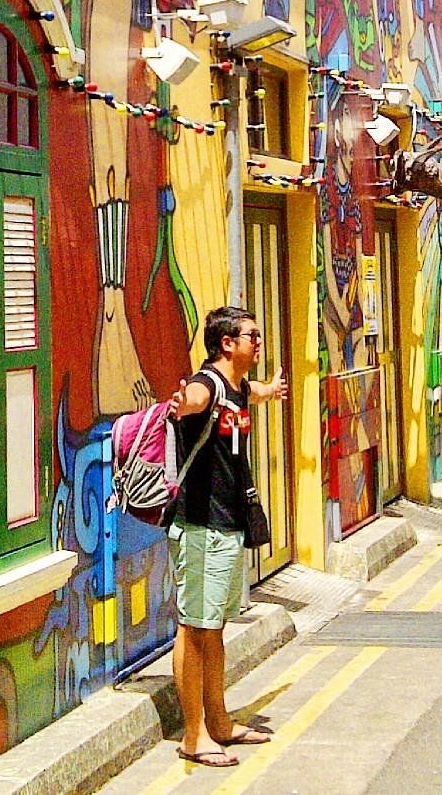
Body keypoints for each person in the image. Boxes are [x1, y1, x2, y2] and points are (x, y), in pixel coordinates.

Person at [166, 306, 290, 767]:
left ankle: (218, 721)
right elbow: (195, 398)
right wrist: (184, 405)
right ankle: (193, 735)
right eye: (251, 336)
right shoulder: (206, 384)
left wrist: (270, 392)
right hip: (200, 528)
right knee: (194, 628)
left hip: (224, 527)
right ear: (227, 345)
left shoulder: (236, 387)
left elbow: (250, 393)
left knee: (212, 629)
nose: (258, 342)